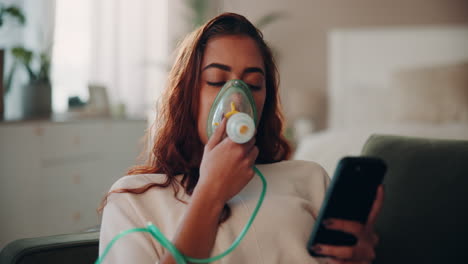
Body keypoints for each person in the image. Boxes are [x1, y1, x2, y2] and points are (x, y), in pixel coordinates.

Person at [98, 12, 384, 264]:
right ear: (187, 95)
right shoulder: (135, 200)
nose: (236, 98)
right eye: (217, 81)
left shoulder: (309, 179)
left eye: (253, 84)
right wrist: (211, 193)